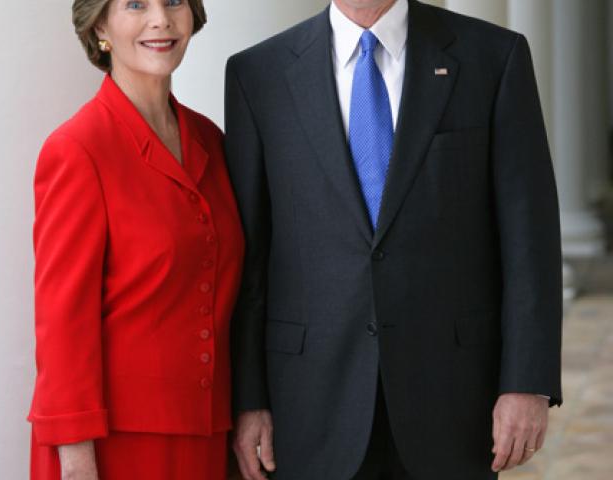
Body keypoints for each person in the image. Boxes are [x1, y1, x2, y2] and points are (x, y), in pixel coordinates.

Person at [225, 0, 562, 479]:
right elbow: (251, 258)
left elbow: (530, 237)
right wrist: (249, 400)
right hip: (307, 403)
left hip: (452, 396)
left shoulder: (493, 56)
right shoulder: (257, 73)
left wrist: (527, 382)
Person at [28, 0, 245, 478]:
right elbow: (62, 322)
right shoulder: (78, 149)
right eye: (135, 4)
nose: (161, 19)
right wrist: (76, 458)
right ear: (100, 23)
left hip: (206, 435)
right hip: (114, 445)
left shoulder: (212, 141)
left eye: (174, 2)